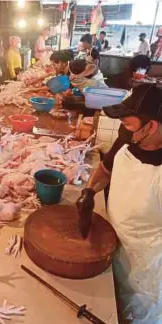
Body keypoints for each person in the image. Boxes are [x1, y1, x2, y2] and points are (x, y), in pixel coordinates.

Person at [76, 84, 162, 323]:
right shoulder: (129, 142)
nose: (122, 131)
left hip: (145, 274)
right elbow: (105, 170)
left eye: (127, 124)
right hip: (112, 250)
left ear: (151, 126)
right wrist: (89, 191)